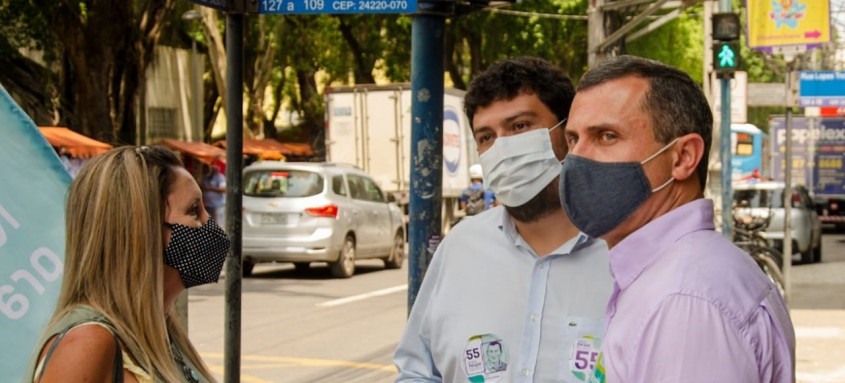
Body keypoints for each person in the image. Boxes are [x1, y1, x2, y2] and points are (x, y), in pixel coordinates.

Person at [559, 55, 795, 382]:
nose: (576, 158)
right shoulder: (676, 277)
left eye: (606, 136)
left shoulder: (684, 301)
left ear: (683, 157)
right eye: (573, 139)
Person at [394, 57, 613, 382]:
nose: (502, 148)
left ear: (568, 135)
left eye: (520, 126)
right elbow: (418, 371)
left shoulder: (626, 250)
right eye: (486, 137)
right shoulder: (460, 247)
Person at [26, 146, 230, 383]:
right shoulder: (87, 344)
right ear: (141, 231)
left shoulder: (161, 329)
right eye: (193, 210)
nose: (210, 223)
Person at [202, 158, 226, 228]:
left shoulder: (220, 177)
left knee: (217, 223)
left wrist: (210, 188)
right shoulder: (207, 177)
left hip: (217, 205)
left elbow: (223, 189)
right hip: (208, 205)